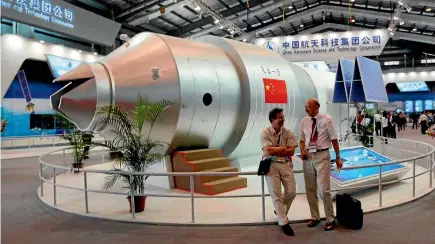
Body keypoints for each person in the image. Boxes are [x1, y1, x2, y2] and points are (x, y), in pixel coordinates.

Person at [299, 98, 342, 231]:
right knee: (310, 189)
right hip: (308, 158)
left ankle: (330, 218)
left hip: (322, 156)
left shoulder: (326, 120)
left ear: (316, 107)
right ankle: (315, 216)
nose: (306, 109)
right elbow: (301, 140)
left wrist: (338, 157)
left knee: (324, 190)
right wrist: (302, 151)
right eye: (306, 107)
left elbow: (334, 139)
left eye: (308, 107)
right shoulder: (304, 121)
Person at [261, 108, 298, 236]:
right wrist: (283, 148)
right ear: (273, 120)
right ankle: (284, 222)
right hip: (270, 165)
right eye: (280, 117)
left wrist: (275, 149)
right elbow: (267, 151)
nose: (283, 119)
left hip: (286, 164)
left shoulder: (288, 132)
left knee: (292, 192)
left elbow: (292, 151)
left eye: (283, 117)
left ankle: (279, 210)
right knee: (276, 194)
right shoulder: (265, 132)